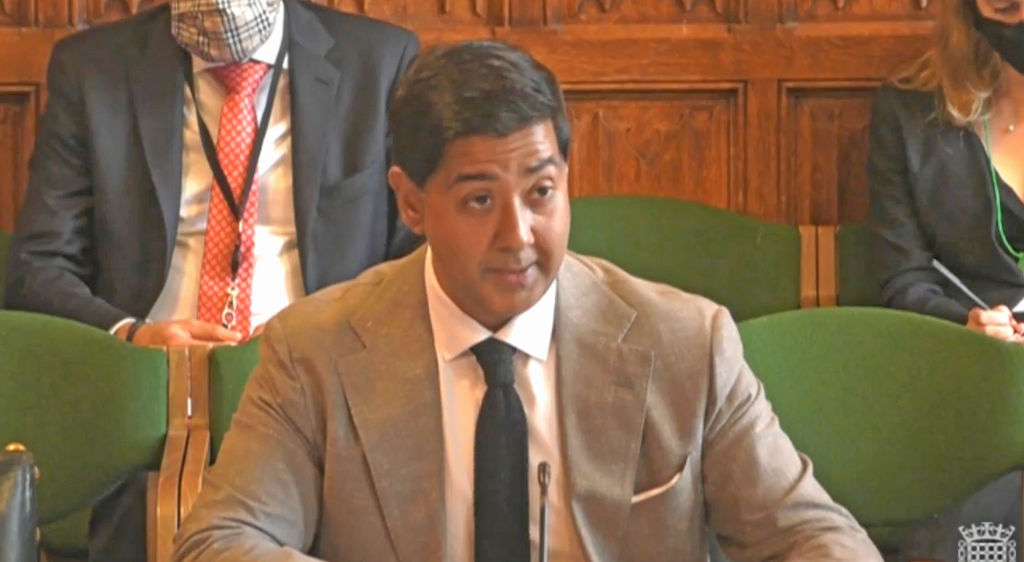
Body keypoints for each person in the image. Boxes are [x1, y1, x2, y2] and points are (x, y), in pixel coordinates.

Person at [173, 41, 881, 561]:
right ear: (411, 203)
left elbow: (814, 537)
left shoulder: (687, 343)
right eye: (480, 200)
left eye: (541, 192)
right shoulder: (316, 350)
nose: (519, 236)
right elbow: (221, 541)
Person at [3, 0, 420, 346]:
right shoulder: (92, 70)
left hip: (320, 370)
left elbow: (418, 260)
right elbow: (38, 268)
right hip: (148, 372)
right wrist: (131, 334)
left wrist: (324, 333)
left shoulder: (380, 64)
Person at [870, 0, 1024, 342]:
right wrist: (965, 326)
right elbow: (905, 277)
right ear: (969, 10)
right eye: (1005, 8)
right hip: (963, 355)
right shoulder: (908, 113)